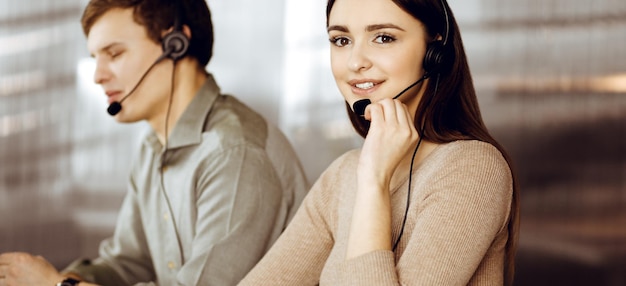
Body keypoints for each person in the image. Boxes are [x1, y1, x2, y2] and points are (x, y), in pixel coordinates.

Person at [0, 0, 309, 285]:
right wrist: (57, 277)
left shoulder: (234, 153)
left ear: (175, 45)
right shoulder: (154, 147)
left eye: (115, 54)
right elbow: (129, 264)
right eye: (96, 58)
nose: (97, 75)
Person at [239, 0, 520, 285]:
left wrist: (374, 182)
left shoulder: (473, 168)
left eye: (383, 38)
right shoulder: (344, 175)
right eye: (341, 40)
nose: (355, 61)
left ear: (436, 52)